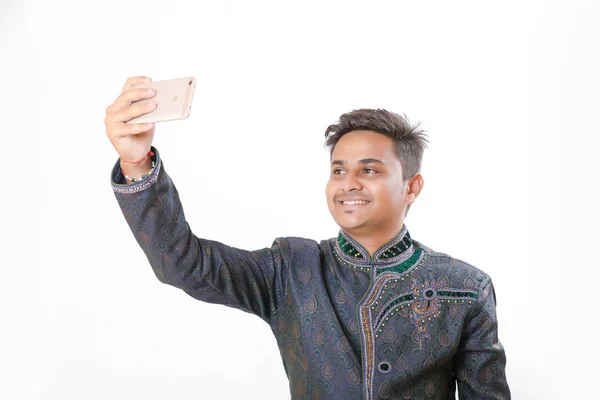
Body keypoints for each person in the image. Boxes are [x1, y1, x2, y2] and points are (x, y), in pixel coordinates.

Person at [106, 76, 511, 399]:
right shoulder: (291, 268)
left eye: (369, 170)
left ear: (412, 186)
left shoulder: (465, 287)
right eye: (338, 170)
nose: (348, 183)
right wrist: (136, 163)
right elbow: (183, 264)